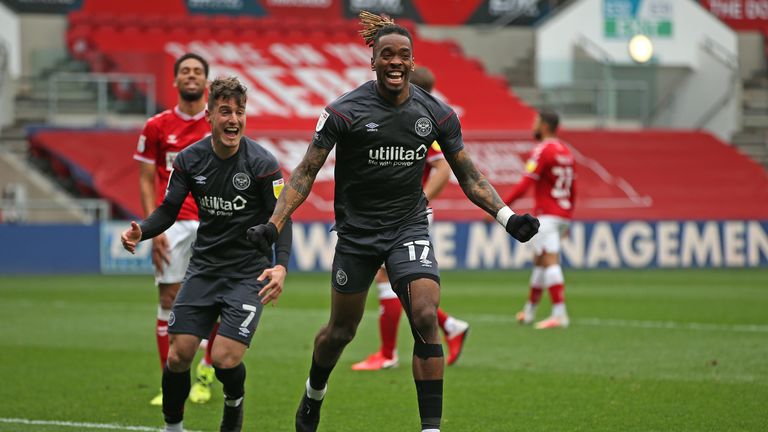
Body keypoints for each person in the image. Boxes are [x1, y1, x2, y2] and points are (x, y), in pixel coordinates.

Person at [246, 12, 539, 432]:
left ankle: (431, 428)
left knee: (424, 314)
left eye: (404, 55)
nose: (396, 62)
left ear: (413, 62)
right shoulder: (343, 112)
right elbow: (306, 172)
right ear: (373, 61)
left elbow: (468, 175)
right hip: (357, 235)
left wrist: (507, 218)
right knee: (341, 331)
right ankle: (314, 394)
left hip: (408, 227)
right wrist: (274, 224)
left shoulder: (436, 114)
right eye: (387, 55)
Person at [122, 76, 292, 432]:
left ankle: (234, 404)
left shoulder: (263, 163)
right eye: (225, 111)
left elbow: (281, 218)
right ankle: (173, 427)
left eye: (240, 112)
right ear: (210, 117)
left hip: (247, 273)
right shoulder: (189, 159)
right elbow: (168, 210)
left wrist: (280, 266)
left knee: (224, 360)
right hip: (204, 268)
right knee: (179, 355)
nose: (234, 119)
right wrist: (144, 230)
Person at [351, 66, 470, 371]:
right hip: (397, 212)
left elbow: (442, 167)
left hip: (407, 214)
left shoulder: (420, 120)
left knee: (387, 277)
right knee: (399, 282)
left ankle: (388, 352)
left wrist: (422, 199)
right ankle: (450, 325)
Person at [133, 53, 220, 405]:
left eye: (198, 71)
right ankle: (170, 381)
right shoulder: (156, 126)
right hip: (172, 223)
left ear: (206, 81)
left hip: (214, 221)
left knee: (215, 300)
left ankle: (206, 371)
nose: (191, 76)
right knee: (168, 299)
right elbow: (144, 180)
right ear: (175, 80)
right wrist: (153, 229)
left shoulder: (218, 122)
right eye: (185, 71)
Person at [504, 109, 575, 329]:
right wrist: (568, 218)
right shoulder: (567, 151)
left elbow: (525, 184)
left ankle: (559, 314)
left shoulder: (542, 150)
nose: (533, 125)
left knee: (549, 260)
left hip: (547, 214)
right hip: (562, 213)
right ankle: (529, 311)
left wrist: (503, 207)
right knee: (540, 261)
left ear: (544, 126)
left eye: (536, 122)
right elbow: (573, 188)